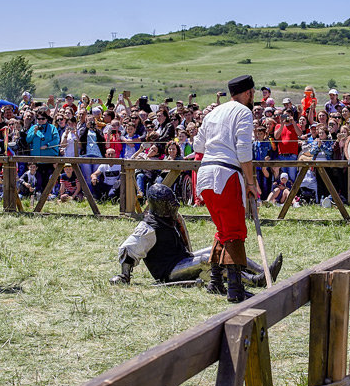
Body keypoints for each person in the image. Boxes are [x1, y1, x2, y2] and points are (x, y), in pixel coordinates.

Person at [111, 181, 282, 286]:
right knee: (205, 260)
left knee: (219, 248)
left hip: (182, 259)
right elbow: (128, 249)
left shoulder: (172, 219)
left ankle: (264, 272)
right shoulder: (148, 227)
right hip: (169, 272)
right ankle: (252, 280)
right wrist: (124, 275)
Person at [193, 74, 263, 303]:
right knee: (234, 231)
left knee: (223, 229)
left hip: (205, 175)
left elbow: (197, 145)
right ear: (249, 93)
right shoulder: (244, 112)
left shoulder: (213, 112)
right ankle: (235, 289)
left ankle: (215, 281)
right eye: (253, 93)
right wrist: (251, 182)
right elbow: (244, 150)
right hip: (226, 174)